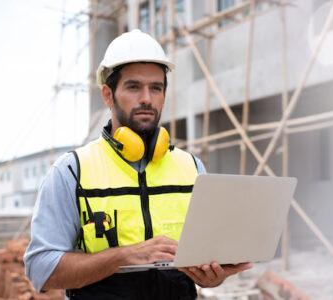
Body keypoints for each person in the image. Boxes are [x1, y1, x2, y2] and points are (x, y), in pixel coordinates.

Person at [24, 29, 251, 299]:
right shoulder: (72, 171)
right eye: (134, 87)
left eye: (156, 88)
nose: (146, 98)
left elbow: (207, 264)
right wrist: (125, 255)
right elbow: (41, 269)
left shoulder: (192, 168)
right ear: (108, 95)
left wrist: (214, 277)